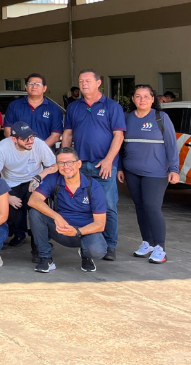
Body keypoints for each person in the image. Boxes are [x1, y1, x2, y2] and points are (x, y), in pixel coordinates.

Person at [61, 69, 126, 261]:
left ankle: (110, 245)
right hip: (79, 166)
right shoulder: (74, 107)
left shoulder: (112, 106)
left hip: (103, 166)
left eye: (88, 80)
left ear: (99, 83)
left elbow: (119, 136)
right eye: (81, 81)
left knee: (108, 206)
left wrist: (108, 160)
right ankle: (90, 241)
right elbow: (68, 134)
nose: (83, 84)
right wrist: (64, 160)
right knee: (83, 205)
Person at [118, 85, 180, 264]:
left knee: (152, 207)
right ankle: (148, 243)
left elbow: (171, 145)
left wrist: (174, 169)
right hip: (131, 171)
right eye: (138, 96)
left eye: (146, 96)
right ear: (133, 99)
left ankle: (160, 247)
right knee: (140, 207)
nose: (142, 100)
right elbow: (120, 145)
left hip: (156, 172)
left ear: (153, 99)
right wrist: (120, 168)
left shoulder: (161, 117)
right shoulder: (126, 117)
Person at [28, 147, 108, 273]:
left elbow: (100, 224)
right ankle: (45, 258)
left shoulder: (94, 186)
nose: (66, 167)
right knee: (35, 213)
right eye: (61, 163)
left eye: (70, 162)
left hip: (85, 232)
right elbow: (33, 200)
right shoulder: (53, 179)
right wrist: (57, 216)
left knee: (97, 251)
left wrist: (77, 231)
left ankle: (86, 255)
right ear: (57, 165)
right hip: (61, 228)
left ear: (79, 164)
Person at [0, 122, 57, 250]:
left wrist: (39, 177)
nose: (30, 141)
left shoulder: (39, 144)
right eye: (25, 138)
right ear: (14, 139)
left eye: (31, 137)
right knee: (12, 214)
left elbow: (54, 166)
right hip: (10, 183)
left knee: (36, 209)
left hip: (33, 180)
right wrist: (6, 196)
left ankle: (38, 244)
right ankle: (18, 235)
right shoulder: (2, 147)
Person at [3, 73, 64, 148]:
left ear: (44, 88)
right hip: (19, 151)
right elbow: (7, 131)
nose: (34, 86)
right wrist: (19, 147)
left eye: (38, 84)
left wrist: (38, 150)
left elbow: (56, 135)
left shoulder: (54, 109)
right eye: (31, 84)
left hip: (44, 152)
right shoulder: (14, 106)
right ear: (26, 86)